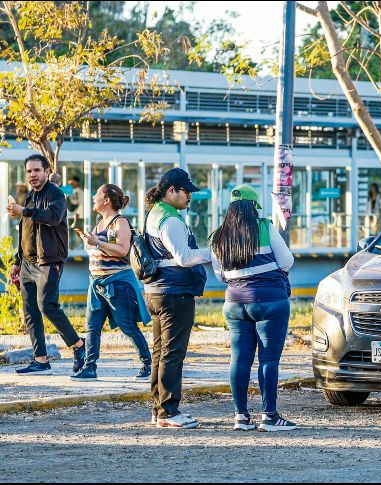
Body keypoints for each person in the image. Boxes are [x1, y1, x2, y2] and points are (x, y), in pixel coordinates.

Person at [210, 184, 296, 432]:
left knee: (239, 360)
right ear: (254, 207)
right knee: (268, 359)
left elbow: (221, 276)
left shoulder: (218, 235)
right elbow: (287, 261)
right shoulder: (265, 227)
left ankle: (241, 417)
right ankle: (269, 417)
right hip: (270, 302)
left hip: (235, 304)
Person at [144, 168, 211, 429]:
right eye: (186, 192)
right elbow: (183, 257)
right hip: (174, 293)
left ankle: (159, 408)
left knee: (160, 353)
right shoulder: (170, 219)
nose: (189, 197)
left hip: (157, 292)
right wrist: (212, 253)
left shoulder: (155, 213)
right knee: (172, 354)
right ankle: (169, 412)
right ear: (171, 191)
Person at [7, 154, 86, 375]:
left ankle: (79, 346)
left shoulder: (56, 194)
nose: (32, 175)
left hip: (49, 261)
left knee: (47, 305)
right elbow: (26, 232)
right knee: (30, 311)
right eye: (29, 171)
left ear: (47, 171)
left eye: (36, 171)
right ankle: (40, 360)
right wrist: (17, 261)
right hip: (27, 264)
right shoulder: (31, 196)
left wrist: (24, 211)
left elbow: (52, 217)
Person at [70, 184, 152, 381]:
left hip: (117, 285)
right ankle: (90, 367)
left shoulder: (119, 222)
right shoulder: (101, 223)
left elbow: (121, 249)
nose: (93, 197)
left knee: (127, 326)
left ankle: (148, 363)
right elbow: (109, 248)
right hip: (97, 285)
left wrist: (96, 242)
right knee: (92, 327)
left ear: (106, 200)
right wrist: (90, 241)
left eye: (96, 194)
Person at [66, 176, 84, 249]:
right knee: (70, 232)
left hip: (77, 216)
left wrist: (78, 214)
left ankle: (81, 245)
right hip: (69, 215)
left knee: (78, 231)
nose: (70, 183)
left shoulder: (79, 191)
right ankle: (71, 247)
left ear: (76, 182)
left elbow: (82, 203)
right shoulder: (69, 191)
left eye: (72, 181)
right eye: (70, 181)